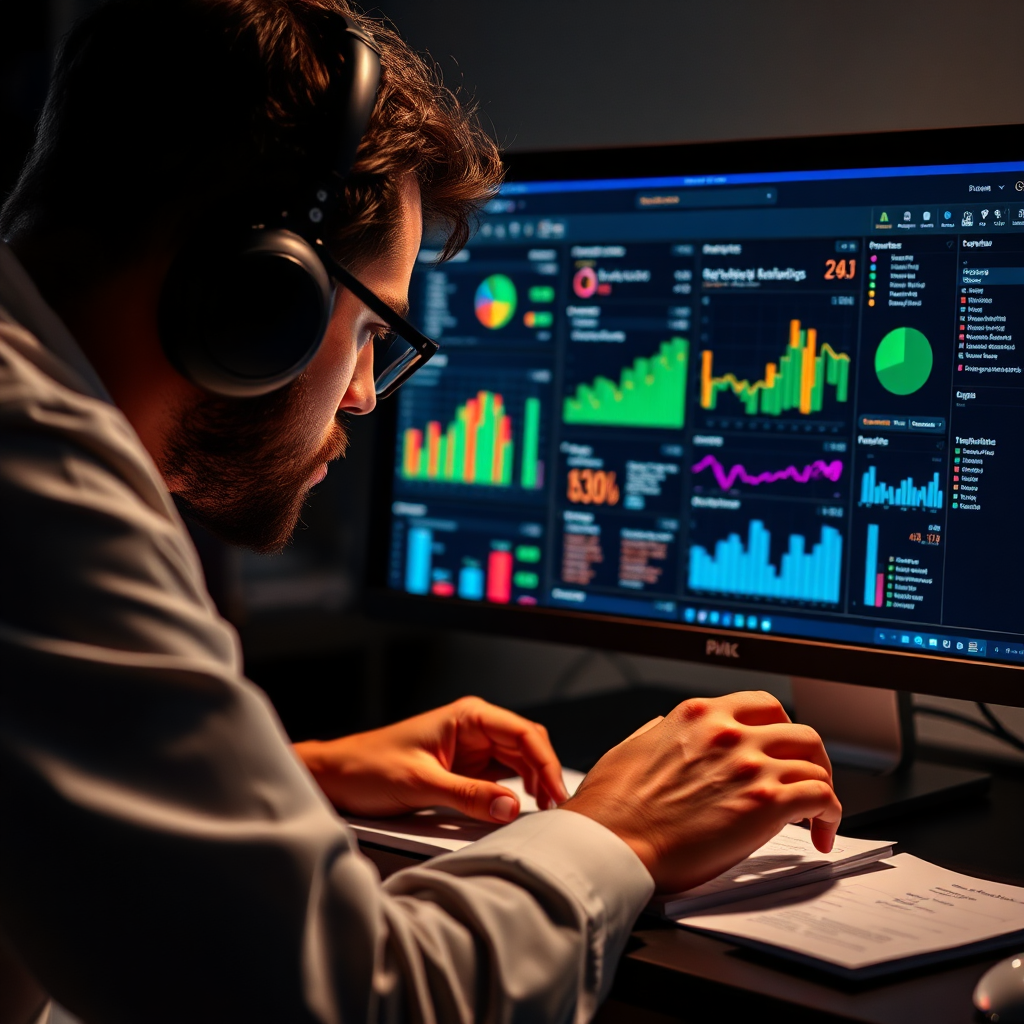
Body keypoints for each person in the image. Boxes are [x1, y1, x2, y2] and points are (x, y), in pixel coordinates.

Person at [0, 1, 842, 1022]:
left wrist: (290, 780)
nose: (361, 393)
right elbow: (356, 1003)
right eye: (364, 329)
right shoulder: (38, 474)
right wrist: (617, 835)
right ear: (258, 301)